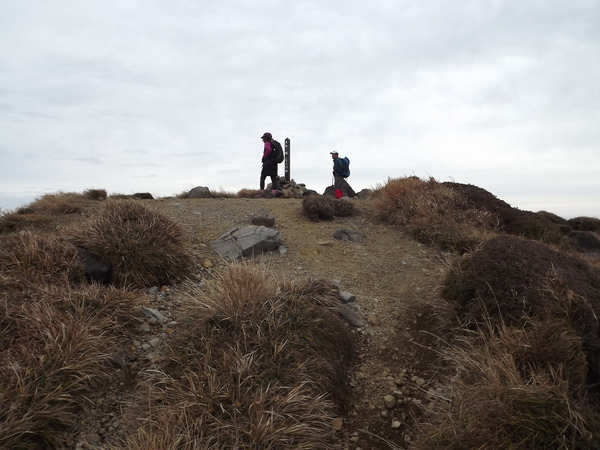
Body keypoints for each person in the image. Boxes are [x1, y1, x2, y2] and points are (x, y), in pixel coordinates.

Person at [259, 132, 278, 197]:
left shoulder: (267, 143)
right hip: (274, 164)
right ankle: (274, 192)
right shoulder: (274, 144)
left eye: (263, 138)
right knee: (273, 178)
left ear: (266, 138)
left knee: (262, 177)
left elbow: (268, 150)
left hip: (267, 164)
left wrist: (264, 157)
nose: (262, 140)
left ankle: (261, 192)